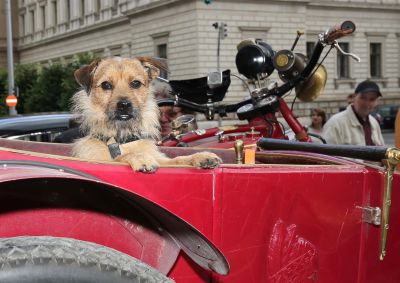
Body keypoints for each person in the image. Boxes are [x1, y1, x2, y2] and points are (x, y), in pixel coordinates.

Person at [322, 80, 384, 146]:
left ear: (377, 101)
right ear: (354, 97)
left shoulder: (374, 123)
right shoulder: (335, 123)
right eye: (363, 98)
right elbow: (325, 154)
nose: (367, 103)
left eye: (372, 99)